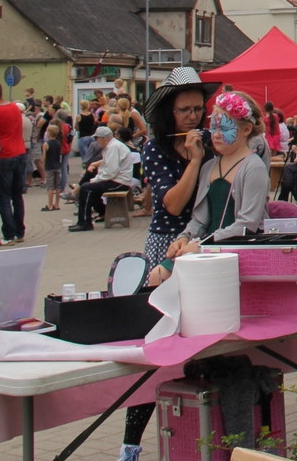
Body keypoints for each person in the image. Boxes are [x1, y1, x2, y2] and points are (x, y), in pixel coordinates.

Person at [116, 68, 218, 461]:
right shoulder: (154, 148)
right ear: (168, 114)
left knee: (200, 341)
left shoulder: (211, 141)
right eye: (184, 110)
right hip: (166, 248)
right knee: (155, 344)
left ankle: (199, 431)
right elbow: (172, 204)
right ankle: (130, 444)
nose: (193, 117)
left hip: (201, 245)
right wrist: (194, 162)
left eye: (198, 109)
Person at [164, 92, 270, 260]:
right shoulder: (208, 167)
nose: (216, 134)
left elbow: (247, 224)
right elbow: (200, 220)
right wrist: (184, 238)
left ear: (247, 129)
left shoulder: (253, 167)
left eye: (225, 128)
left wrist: (201, 245)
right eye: (213, 127)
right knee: (159, 274)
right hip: (209, 249)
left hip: (239, 252)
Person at [0, 81, 29, 246]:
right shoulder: (15, 108)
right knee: (17, 195)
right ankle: (19, 231)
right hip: (20, 152)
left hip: (5, 155)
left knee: (4, 197)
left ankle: (8, 235)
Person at [68, 125, 135, 231]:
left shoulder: (113, 147)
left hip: (119, 182)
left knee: (87, 188)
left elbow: (111, 172)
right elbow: (108, 168)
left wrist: (95, 180)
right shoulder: (112, 146)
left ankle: (84, 222)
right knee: (90, 188)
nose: (96, 141)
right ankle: (101, 212)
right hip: (117, 180)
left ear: (104, 138)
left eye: (97, 138)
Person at [40, 123, 64, 212]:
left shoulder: (46, 144)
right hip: (57, 166)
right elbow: (60, 154)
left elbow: (44, 157)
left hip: (49, 167)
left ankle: (50, 204)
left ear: (48, 133)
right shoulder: (58, 143)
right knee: (57, 186)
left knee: (50, 187)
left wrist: (42, 163)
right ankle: (57, 204)